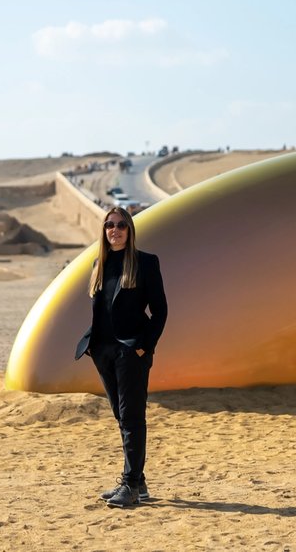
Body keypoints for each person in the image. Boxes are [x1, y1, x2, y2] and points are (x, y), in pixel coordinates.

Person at [74, 206, 168, 508]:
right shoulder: (98, 264)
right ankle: (138, 482)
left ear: (130, 230)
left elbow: (160, 311)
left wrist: (143, 346)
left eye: (121, 226)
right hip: (104, 351)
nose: (114, 230)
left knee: (131, 418)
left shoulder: (145, 263)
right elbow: (101, 310)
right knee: (120, 416)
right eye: (109, 225)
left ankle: (129, 484)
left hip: (131, 352)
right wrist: (93, 345)